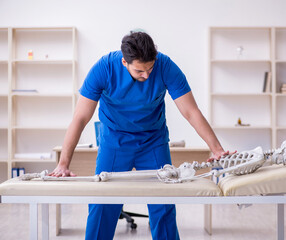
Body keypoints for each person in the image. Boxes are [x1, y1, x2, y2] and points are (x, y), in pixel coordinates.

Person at [50, 31, 230, 240]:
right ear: (124, 61)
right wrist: (63, 163)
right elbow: (80, 118)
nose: (146, 75)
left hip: (153, 141)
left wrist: (217, 149)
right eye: (139, 71)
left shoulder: (165, 66)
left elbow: (191, 111)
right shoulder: (104, 68)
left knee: (163, 205)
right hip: (115, 142)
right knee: (101, 204)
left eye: (150, 68)